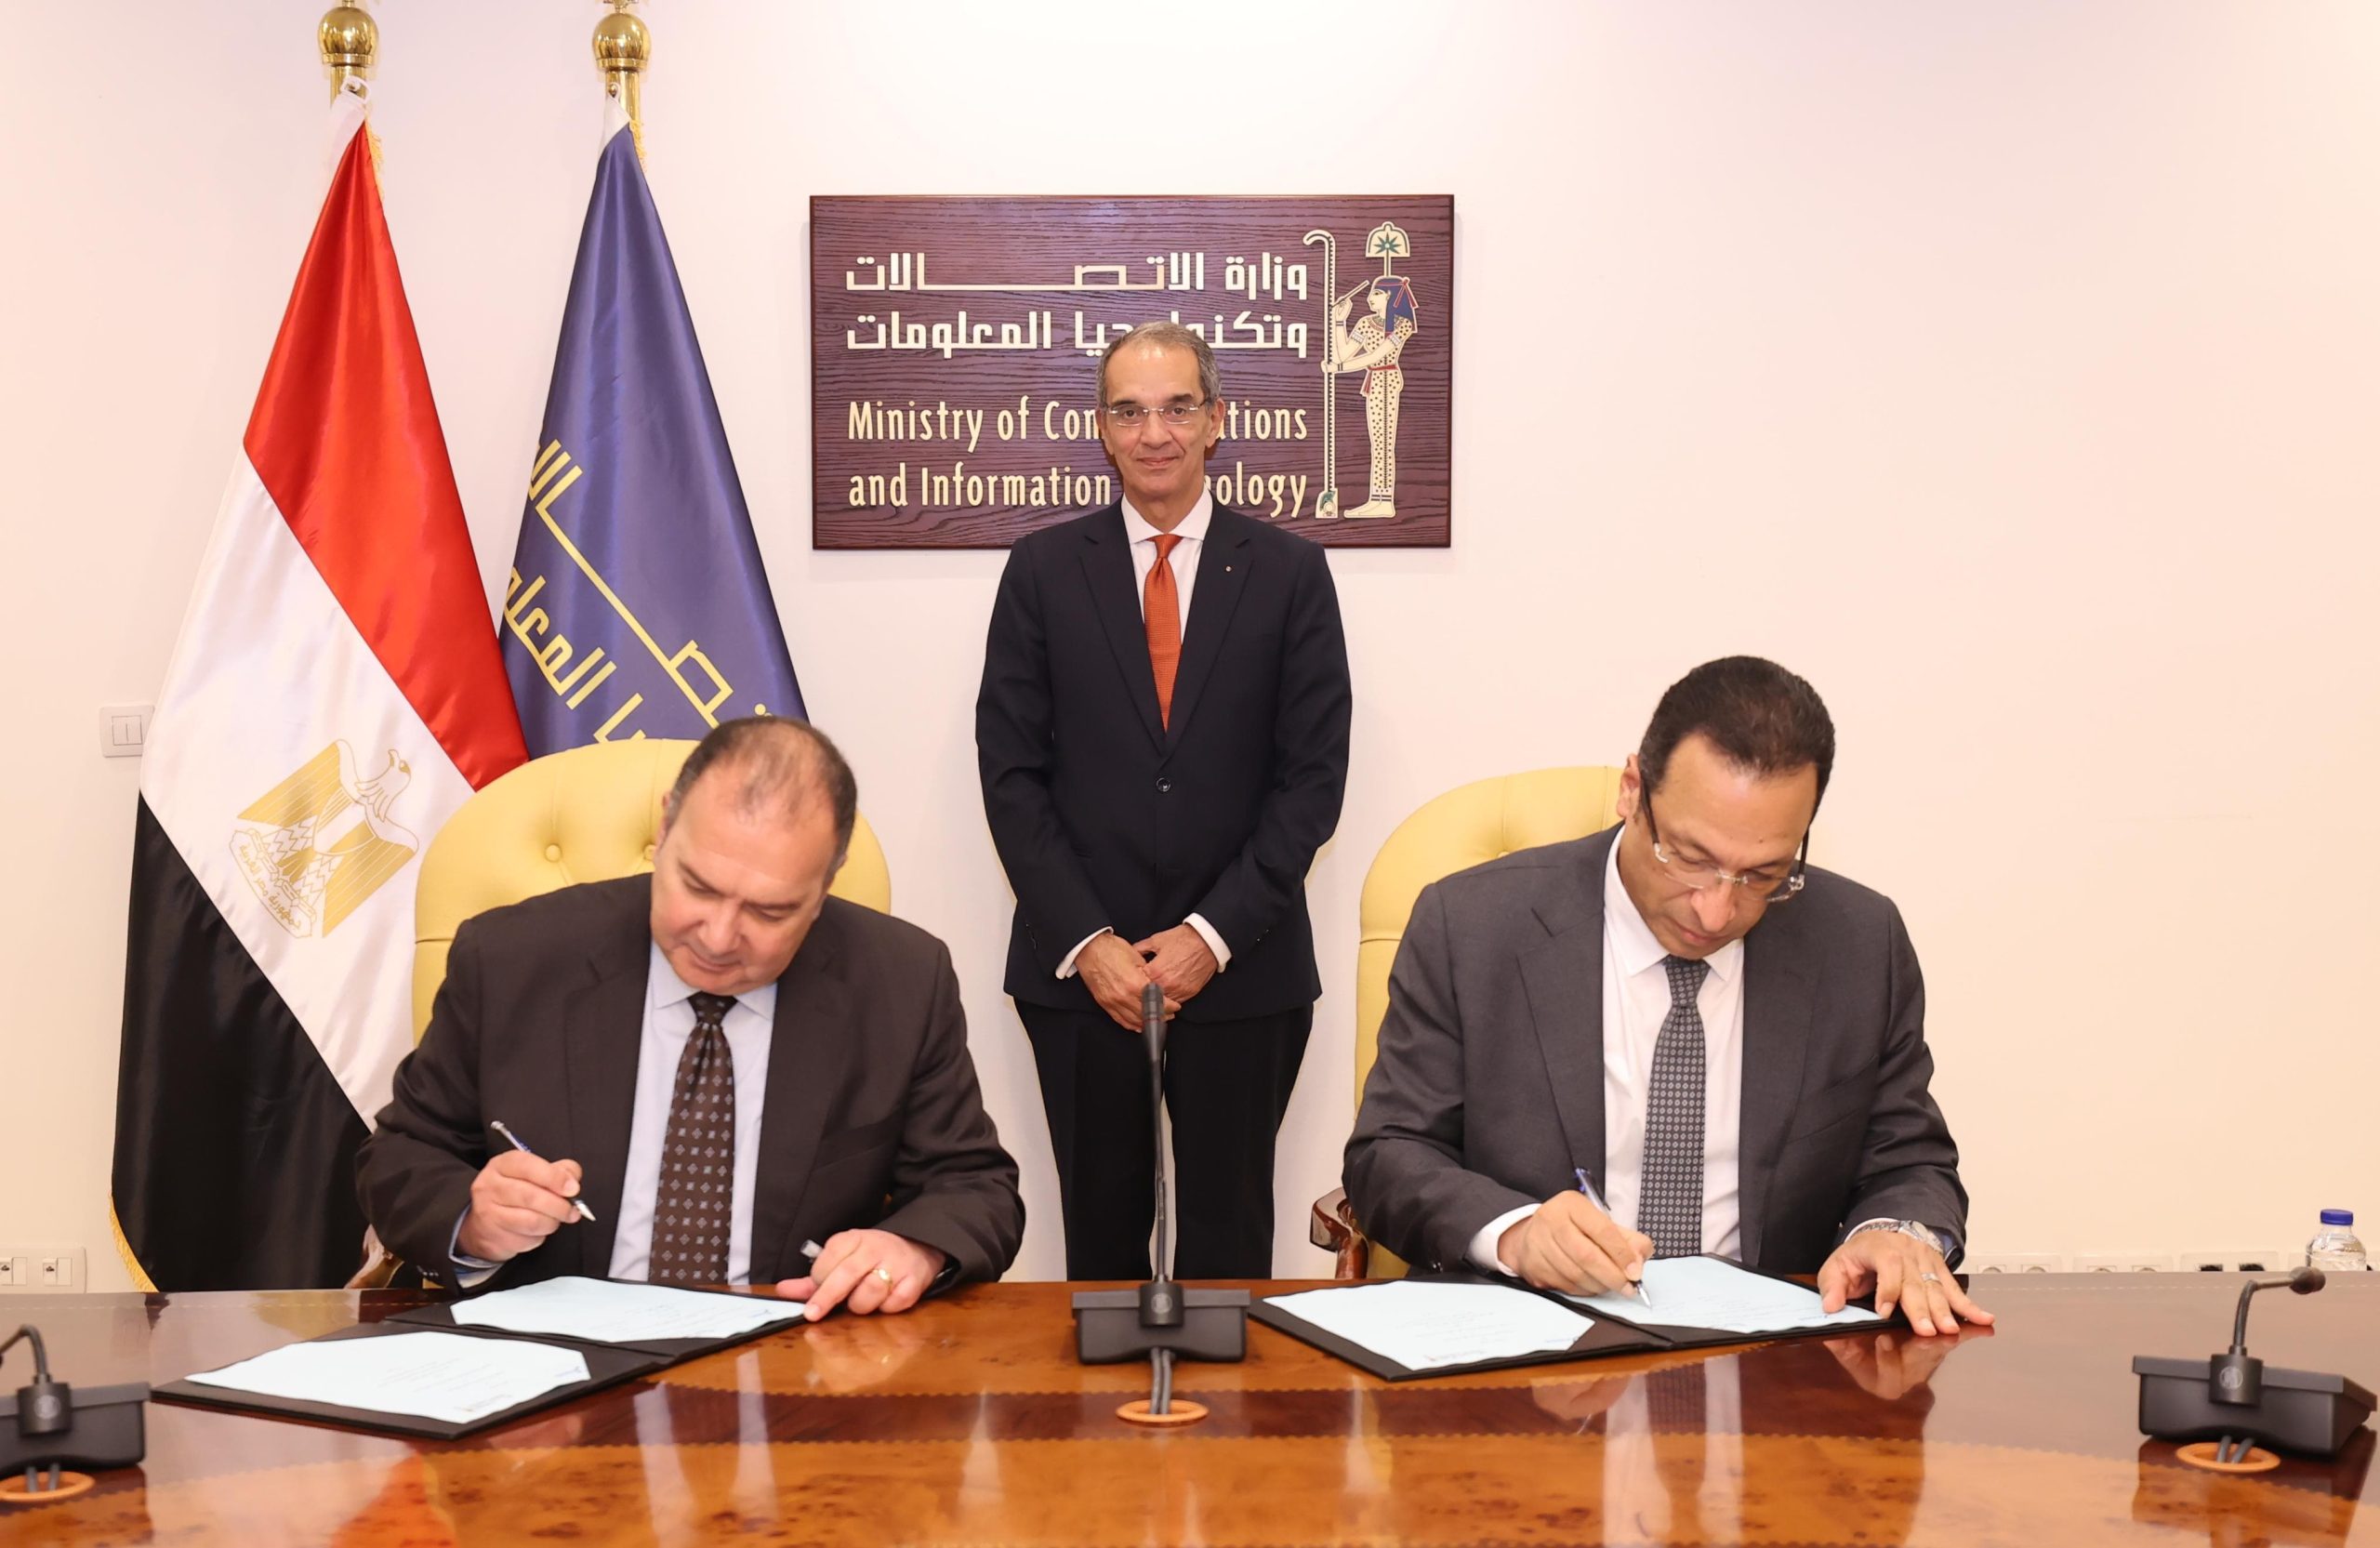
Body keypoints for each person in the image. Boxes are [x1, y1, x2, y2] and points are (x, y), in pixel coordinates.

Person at [1343, 657, 1990, 1336]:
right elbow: (1389, 1153)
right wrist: (1515, 1231)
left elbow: (1909, 1160)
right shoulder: (1472, 925)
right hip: (1528, 1345)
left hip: (1773, 1357)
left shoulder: (1859, 942)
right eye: (1689, 857)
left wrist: (1894, 1232)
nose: (1716, 911)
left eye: (1761, 875)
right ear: (1633, 792)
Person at [357, 717, 1024, 1317]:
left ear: (826, 883)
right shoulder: (512, 958)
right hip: (553, 1360)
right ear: (666, 826)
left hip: (789, 1356)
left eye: (769, 911)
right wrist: (473, 1221)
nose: (719, 936)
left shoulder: (901, 981)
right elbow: (401, 1156)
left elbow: (973, 1185)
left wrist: (913, 1247)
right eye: (698, 887)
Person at [976, 321, 1353, 1279]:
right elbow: (1010, 776)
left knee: (1230, 1253)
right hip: (1081, 981)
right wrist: (1090, 943)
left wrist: (1208, 938)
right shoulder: (1041, 570)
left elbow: (1311, 782)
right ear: (1102, 429)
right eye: (1130, 411)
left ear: (1216, 419)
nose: (1155, 433)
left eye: (1178, 408)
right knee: (1101, 1255)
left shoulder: (1291, 573)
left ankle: (1230, 1395)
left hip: (1245, 970)